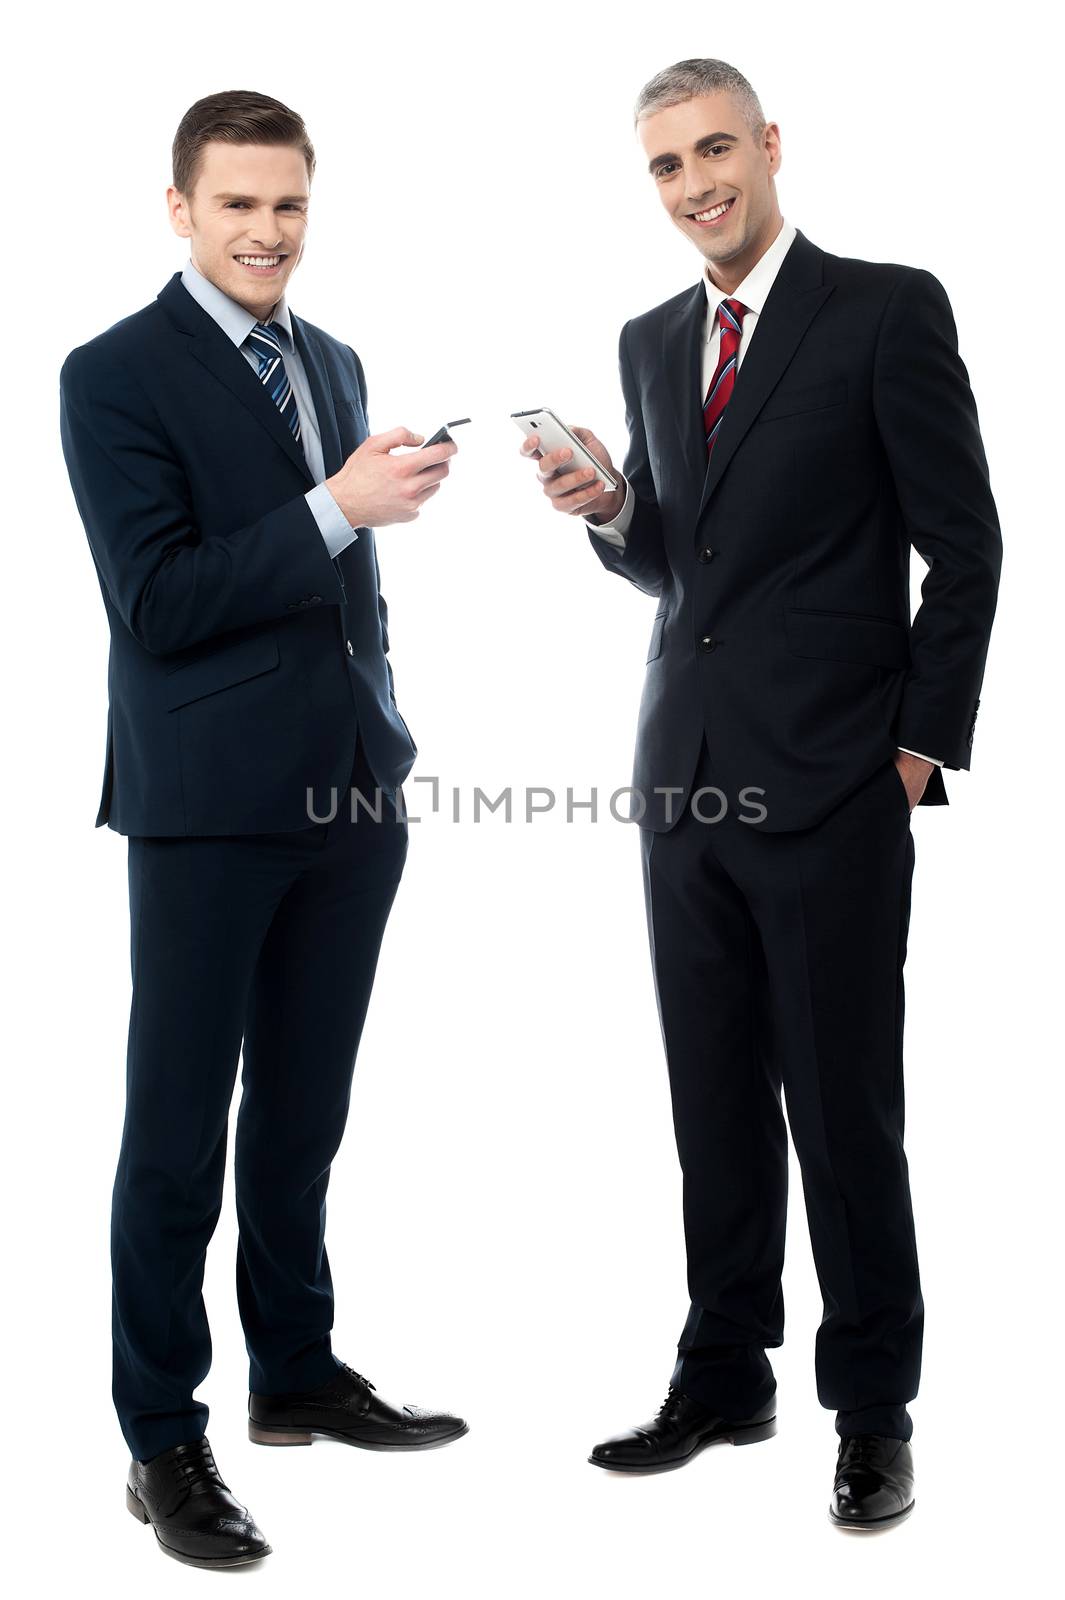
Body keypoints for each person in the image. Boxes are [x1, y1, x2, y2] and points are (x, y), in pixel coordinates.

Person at [520, 57, 1001, 1530]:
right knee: (713, 1101)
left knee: (842, 1112)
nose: (694, 187)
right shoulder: (649, 337)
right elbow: (692, 566)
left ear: (769, 146)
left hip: (834, 788)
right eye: (665, 167)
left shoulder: (882, 309)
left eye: (713, 150)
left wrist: (915, 750)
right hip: (686, 785)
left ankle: (871, 1407)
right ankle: (723, 1369)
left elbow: (964, 548)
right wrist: (611, 511)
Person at [60, 89, 467, 1571]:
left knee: (301, 1115)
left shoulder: (334, 359)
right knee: (175, 1132)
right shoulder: (110, 374)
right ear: (181, 209)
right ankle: (163, 1435)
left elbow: (339, 567)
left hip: (352, 789)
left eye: (288, 204)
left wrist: (369, 515)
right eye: (236, 204)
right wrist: (331, 508)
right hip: (206, 804)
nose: (266, 232)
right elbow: (154, 601)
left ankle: (293, 1371)